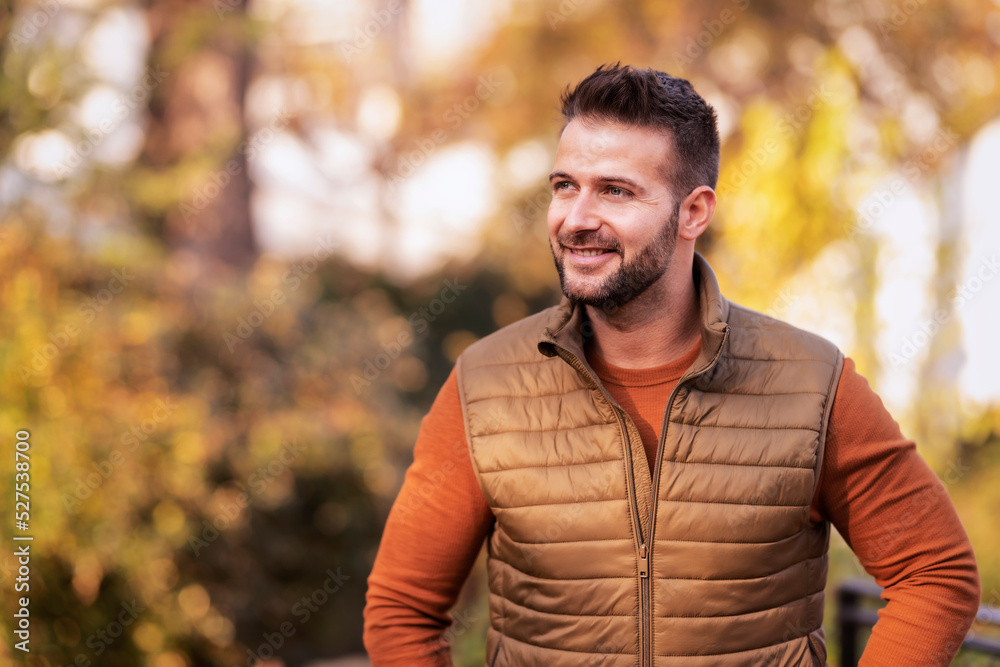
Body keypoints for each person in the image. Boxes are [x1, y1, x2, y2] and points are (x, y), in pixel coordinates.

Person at [362, 64, 980, 666]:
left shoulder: (813, 382)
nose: (576, 219)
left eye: (615, 191)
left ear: (693, 212)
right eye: (564, 185)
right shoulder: (485, 385)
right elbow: (402, 609)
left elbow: (936, 572)